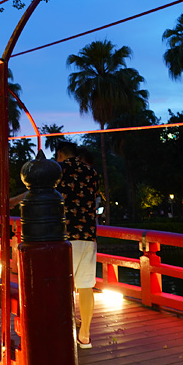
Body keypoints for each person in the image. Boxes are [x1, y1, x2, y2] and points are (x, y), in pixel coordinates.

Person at [55, 141, 101, 349]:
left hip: (66, 235)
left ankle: (62, 332)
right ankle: (85, 336)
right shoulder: (92, 173)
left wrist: (14, 201)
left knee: (62, 286)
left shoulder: (58, 170)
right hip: (88, 236)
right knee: (85, 286)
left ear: (61, 154)